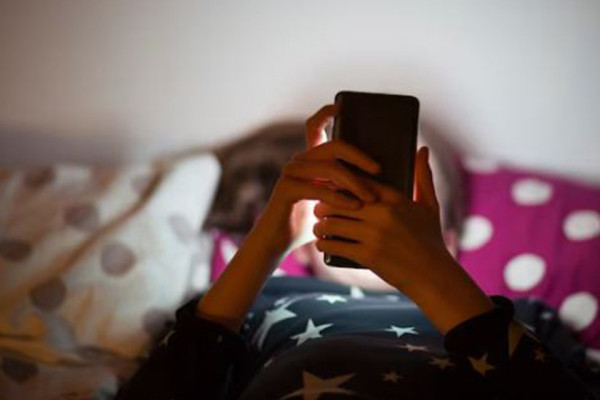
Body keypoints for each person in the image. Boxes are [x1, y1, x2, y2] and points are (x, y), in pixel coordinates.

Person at [115, 104, 596, 399]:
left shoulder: (521, 319)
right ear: (308, 243)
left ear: (447, 241)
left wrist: (439, 280)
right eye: (346, 192)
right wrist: (266, 244)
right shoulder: (253, 302)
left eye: (400, 197)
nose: (374, 206)